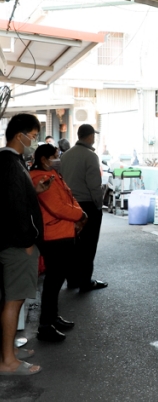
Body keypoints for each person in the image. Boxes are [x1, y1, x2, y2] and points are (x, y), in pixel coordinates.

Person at [0, 114, 47, 376]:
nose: (35, 139)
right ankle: (7, 361)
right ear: (20, 135)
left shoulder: (12, 161)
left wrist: (35, 191)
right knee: (13, 300)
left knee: (10, 299)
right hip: (17, 244)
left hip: (14, 242)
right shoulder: (9, 162)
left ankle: (7, 352)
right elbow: (14, 206)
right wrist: (27, 241)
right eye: (33, 133)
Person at [29, 144, 87, 343]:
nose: (58, 158)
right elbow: (57, 207)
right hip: (53, 235)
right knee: (53, 281)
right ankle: (45, 326)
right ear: (44, 159)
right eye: (55, 156)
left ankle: (52, 318)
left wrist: (79, 214)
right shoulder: (40, 178)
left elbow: (69, 198)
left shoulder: (52, 173)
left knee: (57, 278)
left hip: (63, 232)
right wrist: (80, 215)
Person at [56, 124, 107, 293]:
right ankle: (85, 282)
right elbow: (94, 186)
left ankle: (72, 280)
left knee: (73, 243)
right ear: (90, 136)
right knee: (88, 245)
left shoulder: (65, 156)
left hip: (69, 205)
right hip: (87, 205)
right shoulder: (90, 156)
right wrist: (99, 206)